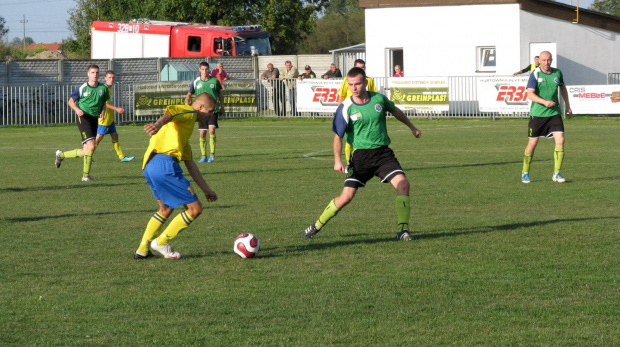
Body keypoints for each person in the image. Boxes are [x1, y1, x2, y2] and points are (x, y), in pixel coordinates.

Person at [303, 67, 422, 241]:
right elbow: (338, 137)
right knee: (346, 197)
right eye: (350, 84)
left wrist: (412, 127)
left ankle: (402, 230)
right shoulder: (345, 107)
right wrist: (337, 160)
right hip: (360, 158)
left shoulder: (378, 99)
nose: (354, 87)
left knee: (403, 184)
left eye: (357, 83)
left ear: (365, 82)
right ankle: (316, 225)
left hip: (383, 155)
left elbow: (395, 110)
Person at [134, 93, 218, 259]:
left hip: (149, 165)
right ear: (200, 107)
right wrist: (157, 124)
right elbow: (171, 112)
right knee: (195, 209)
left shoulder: (182, 132)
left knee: (165, 209)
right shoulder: (189, 112)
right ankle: (160, 242)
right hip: (165, 164)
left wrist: (206, 189)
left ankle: (142, 249)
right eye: (210, 111)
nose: (210, 115)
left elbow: (190, 164)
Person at [521, 51, 572, 184]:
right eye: (544, 60)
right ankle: (525, 172)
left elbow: (563, 89)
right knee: (532, 144)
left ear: (552, 60)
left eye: (549, 60)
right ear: (539, 61)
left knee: (560, 140)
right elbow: (530, 94)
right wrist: (544, 102)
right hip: (538, 114)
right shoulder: (535, 74)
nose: (546, 63)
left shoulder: (557, 73)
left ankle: (557, 173)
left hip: (554, 113)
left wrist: (567, 105)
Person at [55, 64, 110, 182]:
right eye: (92, 72)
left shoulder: (103, 89)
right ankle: (86, 176)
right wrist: (77, 109)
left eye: (97, 73)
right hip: (83, 117)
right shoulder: (82, 88)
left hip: (94, 119)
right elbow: (70, 101)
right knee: (92, 146)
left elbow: (104, 102)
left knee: (85, 151)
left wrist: (103, 111)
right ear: (88, 74)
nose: (95, 75)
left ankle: (61, 155)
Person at [337, 59, 378, 173]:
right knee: (350, 138)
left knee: (366, 136)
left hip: (365, 112)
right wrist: (339, 112)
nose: (361, 69)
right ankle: (349, 163)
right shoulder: (346, 80)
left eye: (363, 67)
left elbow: (374, 95)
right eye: (359, 67)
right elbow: (341, 95)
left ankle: (370, 161)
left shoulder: (369, 80)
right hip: (351, 111)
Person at [185, 62, 224, 163]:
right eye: (202, 69)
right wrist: (186, 103)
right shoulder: (196, 82)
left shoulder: (214, 81)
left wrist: (222, 106)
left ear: (209, 70)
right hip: (201, 112)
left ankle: (212, 155)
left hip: (212, 110)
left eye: (206, 69)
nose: (204, 71)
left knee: (211, 130)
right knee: (202, 133)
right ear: (199, 70)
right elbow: (189, 94)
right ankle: (203, 156)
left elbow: (220, 93)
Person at [94, 70, 135, 163]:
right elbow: (103, 103)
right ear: (105, 78)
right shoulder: (104, 89)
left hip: (110, 118)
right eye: (109, 77)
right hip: (104, 118)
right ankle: (88, 155)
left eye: (113, 78)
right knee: (99, 137)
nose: (111, 79)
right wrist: (116, 109)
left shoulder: (108, 89)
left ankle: (122, 157)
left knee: (114, 135)